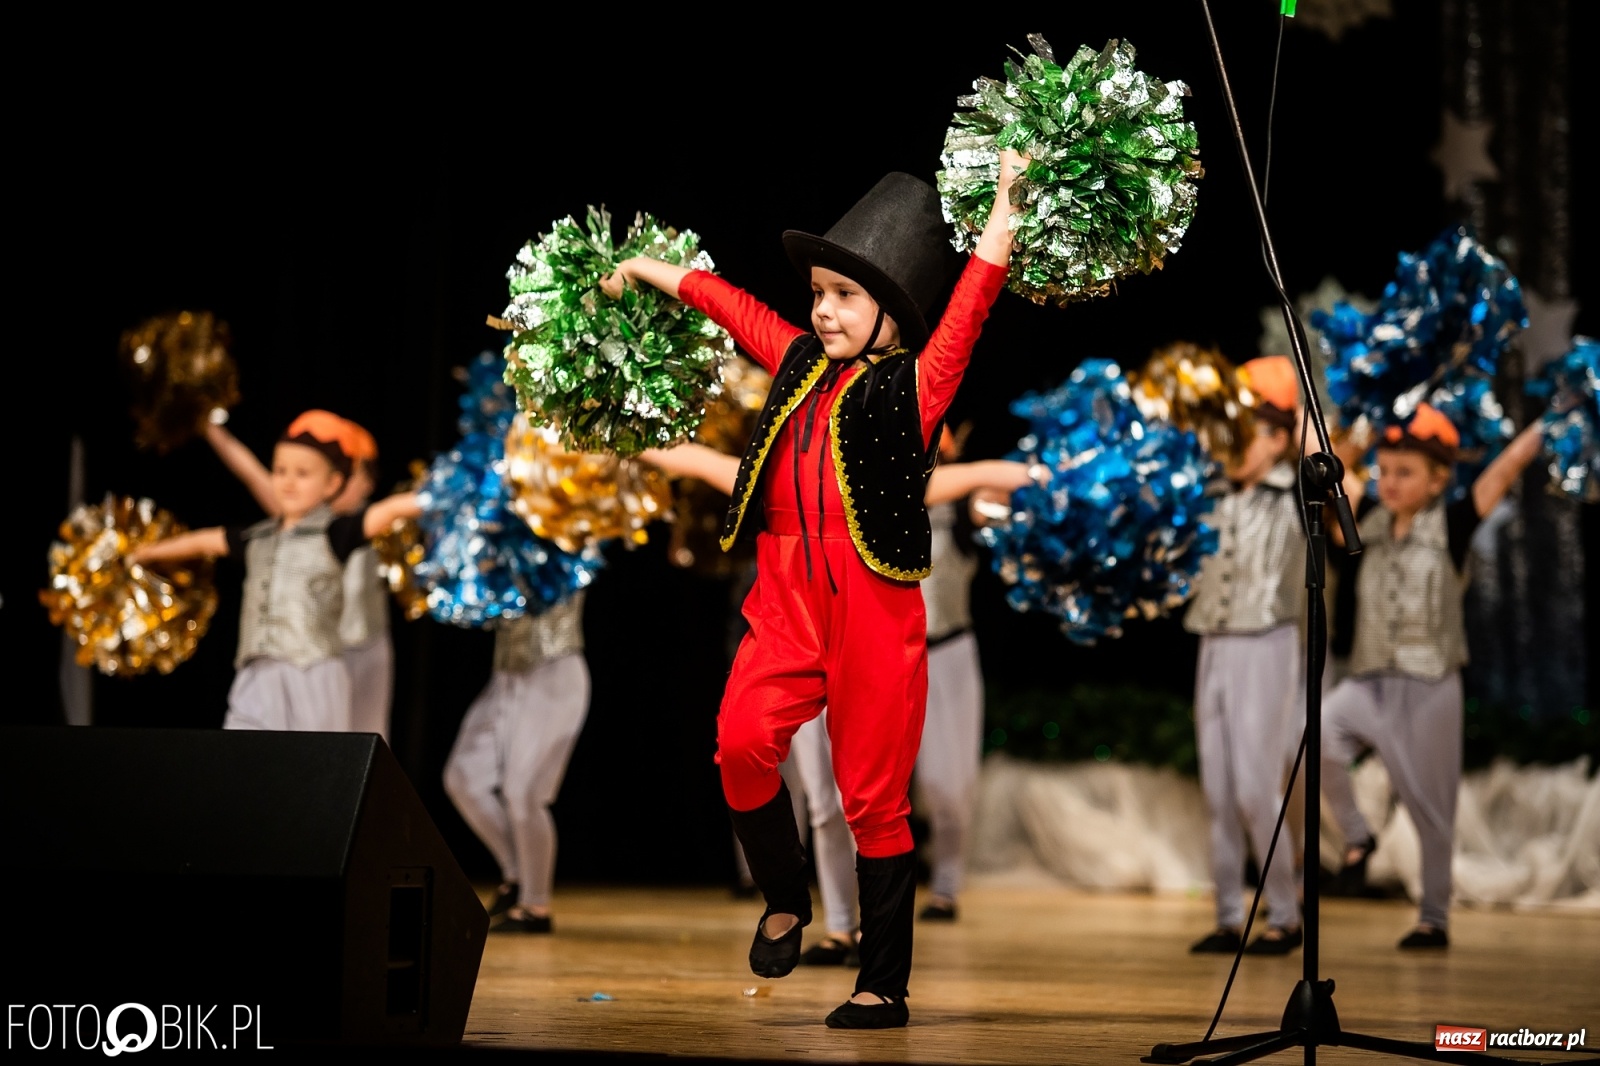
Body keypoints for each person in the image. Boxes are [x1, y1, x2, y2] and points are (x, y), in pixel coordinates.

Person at [606, 154, 1025, 1028]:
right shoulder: (796, 359)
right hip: (786, 597)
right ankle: (785, 899)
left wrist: (1003, 216)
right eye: (820, 292)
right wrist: (653, 271)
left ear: (888, 317)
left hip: (873, 607)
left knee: (872, 799)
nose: (823, 309)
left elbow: (971, 308)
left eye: (844, 296)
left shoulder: (914, 384)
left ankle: (881, 983)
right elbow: (735, 308)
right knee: (739, 743)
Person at [641, 437, 1041, 963]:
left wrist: (1017, 481)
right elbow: (707, 464)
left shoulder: (921, 486)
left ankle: (940, 892)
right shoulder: (804, 477)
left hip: (911, 651)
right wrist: (623, 442)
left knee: (932, 790)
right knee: (823, 802)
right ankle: (839, 925)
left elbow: (961, 492)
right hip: (807, 648)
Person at [1321, 404, 1544, 949]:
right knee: (1318, 732)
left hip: (1429, 683)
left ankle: (1433, 917)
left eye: (1405, 472)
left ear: (1437, 479)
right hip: (1372, 679)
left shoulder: (1455, 523)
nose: (1389, 482)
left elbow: (1506, 467)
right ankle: (1357, 835)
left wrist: (1550, 421)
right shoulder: (1368, 518)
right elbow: (1324, 464)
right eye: (1384, 470)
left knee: (1430, 806)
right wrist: (1358, 422)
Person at [131, 412, 421, 731]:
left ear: (338, 480)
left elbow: (392, 510)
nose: (288, 481)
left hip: (326, 660)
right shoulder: (264, 535)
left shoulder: (342, 531)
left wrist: (450, 491)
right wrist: (145, 554)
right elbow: (208, 537)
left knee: (331, 754)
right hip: (261, 666)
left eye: (302, 473)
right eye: (281, 471)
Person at [1181, 355, 1308, 956]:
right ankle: (1229, 914)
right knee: (1220, 785)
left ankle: (1285, 912)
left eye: (1248, 429)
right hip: (1215, 640)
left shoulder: (1294, 494)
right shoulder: (1211, 493)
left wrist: (1300, 418)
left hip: (1266, 641)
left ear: (1280, 439)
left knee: (1259, 785)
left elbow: (1344, 493)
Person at [204, 413, 396, 739]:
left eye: (357, 471)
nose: (349, 479)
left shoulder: (374, 523)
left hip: (366, 646)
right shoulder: (300, 522)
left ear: (368, 481)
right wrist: (211, 431)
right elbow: (251, 474)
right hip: (313, 652)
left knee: (367, 742)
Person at [442, 592, 590, 933]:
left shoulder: (567, 539)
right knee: (463, 778)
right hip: (508, 674)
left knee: (524, 793)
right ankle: (516, 874)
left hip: (554, 667)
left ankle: (536, 905)